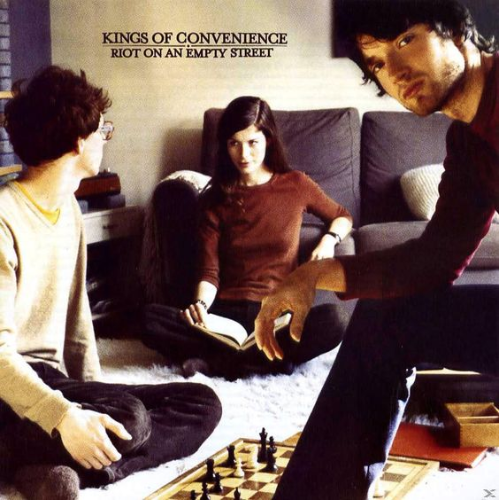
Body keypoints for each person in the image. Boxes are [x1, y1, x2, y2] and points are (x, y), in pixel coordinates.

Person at [253, 1, 499, 498]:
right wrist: (312, 274)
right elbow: (433, 261)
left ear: (456, 28)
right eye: (378, 62)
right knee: (388, 320)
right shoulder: (467, 143)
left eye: (406, 40)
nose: (396, 72)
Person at [0, 65, 222, 500]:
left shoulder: (68, 210)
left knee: (201, 403)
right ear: (78, 142)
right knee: (130, 417)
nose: (106, 139)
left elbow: (77, 321)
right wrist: (63, 416)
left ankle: (62, 468)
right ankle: (33, 454)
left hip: (50, 378)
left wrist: (95, 395)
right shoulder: (4, 218)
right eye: (103, 131)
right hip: (8, 386)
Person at [144, 96, 352, 379]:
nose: (243, 154)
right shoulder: (214, 199)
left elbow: (342, 216)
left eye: (253, 142)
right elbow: (209, 272)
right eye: (234, 143)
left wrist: (328, 240)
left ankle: (219, 362)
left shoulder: (296, 184)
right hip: (225, 314)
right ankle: (268, 362)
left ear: (269, 140)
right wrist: (201, 307)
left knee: (335, 320)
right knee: (149, 319)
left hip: (276, 313)